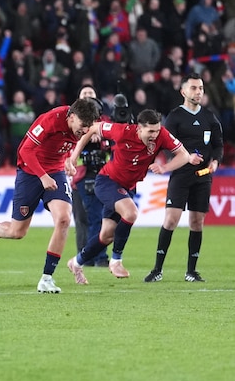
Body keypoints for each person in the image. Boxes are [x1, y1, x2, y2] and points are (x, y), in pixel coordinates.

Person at [66, 110, 199, 285]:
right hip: (107, 181)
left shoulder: (162, 135)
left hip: (127, 187)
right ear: (139, 128)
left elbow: (184, 155)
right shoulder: (122, 131)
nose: (155, 135)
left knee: (106, 236)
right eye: (150, 131)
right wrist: (74, 155)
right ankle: (116, 261)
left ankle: (76, 263)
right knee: (131, 213)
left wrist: (165, 168)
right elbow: (93, 128)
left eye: (157, 131)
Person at [0, 98, 99, 293]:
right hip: (30, 172)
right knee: (18, 232)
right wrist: (42, 177)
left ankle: (47, 278)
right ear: (72, 117)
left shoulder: (79, 127)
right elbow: (25, 150)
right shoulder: (51, 119)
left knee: (63, 219)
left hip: (55, 172)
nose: (85, 130)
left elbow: (62, 145)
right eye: (83, 125)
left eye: (88, 127)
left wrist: (67, 161)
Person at [145, 73, 223, 283]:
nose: (198, 92)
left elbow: (218, 145)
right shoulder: (175, 117)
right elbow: (167, 146)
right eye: (194, 88)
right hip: (180, 175)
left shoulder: (210, 117)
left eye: (201, 88)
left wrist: (215, 161)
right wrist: (186, 157)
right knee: (171, 219)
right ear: (183, 92)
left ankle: (191, 271)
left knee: (197, 222)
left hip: (202, 177)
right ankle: (157, 269)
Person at [70, 85, 110, 267]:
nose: (88, 96)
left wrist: (102, 139)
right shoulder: (72, 122)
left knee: (98, 217)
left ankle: (90, 256)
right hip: (78, 176)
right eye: (84, 93)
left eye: (90, 93)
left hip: (101, 174)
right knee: (82, 220)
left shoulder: (105, 122)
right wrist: (86, 136)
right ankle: (87, 255)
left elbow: (113, 144)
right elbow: (70, 146)